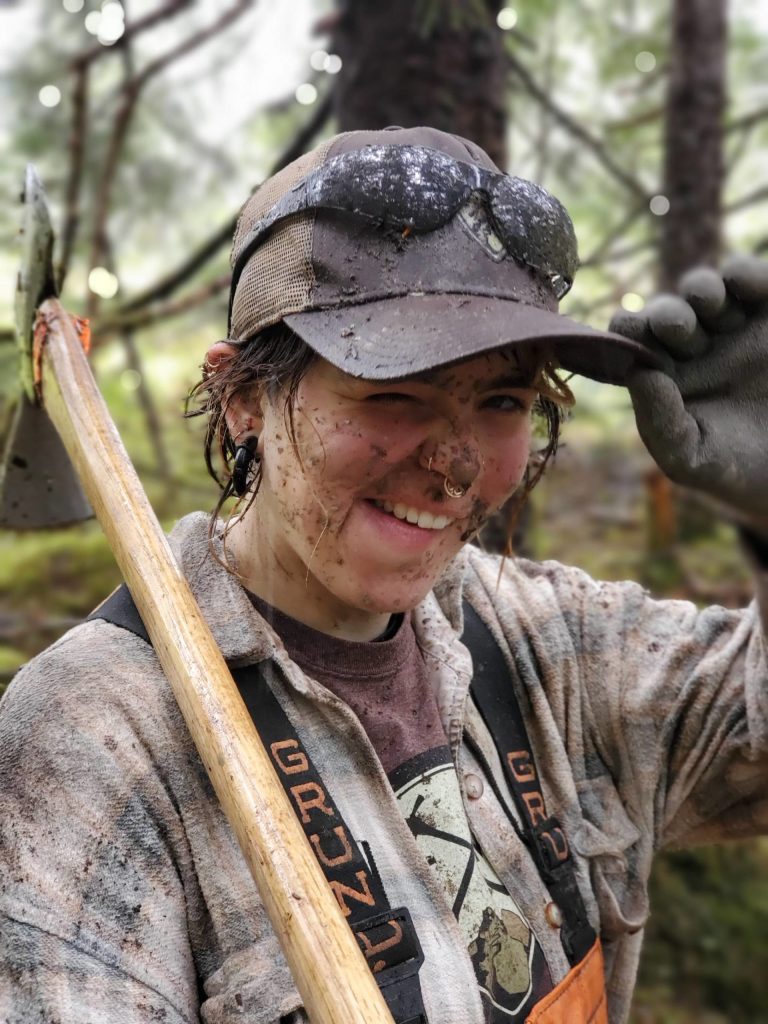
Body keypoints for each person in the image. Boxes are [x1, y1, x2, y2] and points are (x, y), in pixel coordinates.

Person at [1, 125, 767, 1024]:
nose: (452, 463)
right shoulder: (92, 742)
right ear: (245, 397)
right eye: (393, 391)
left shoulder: (541, 639)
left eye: (502, 400)